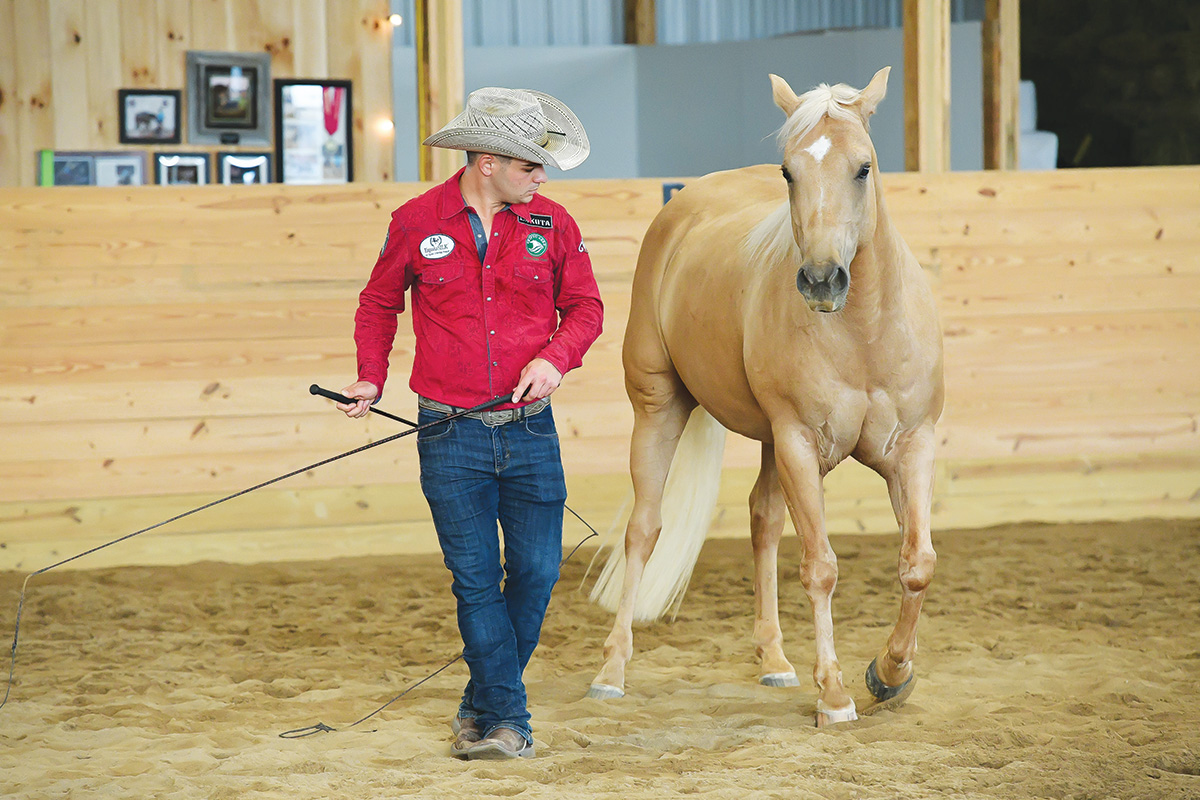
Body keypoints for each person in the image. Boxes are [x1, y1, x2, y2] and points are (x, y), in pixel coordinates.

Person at [336, 87, 603, 760]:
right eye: (529, 166)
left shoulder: (555, 225)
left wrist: (556, 358)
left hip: (530, 429)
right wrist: (372, 375)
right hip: (447, 434)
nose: (541, 178)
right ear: (487, 161)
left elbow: (587, 309)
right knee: (477, 580)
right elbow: (377, 302)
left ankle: (478, 705)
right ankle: (510, 723)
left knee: (538, 573)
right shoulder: (414, 220)